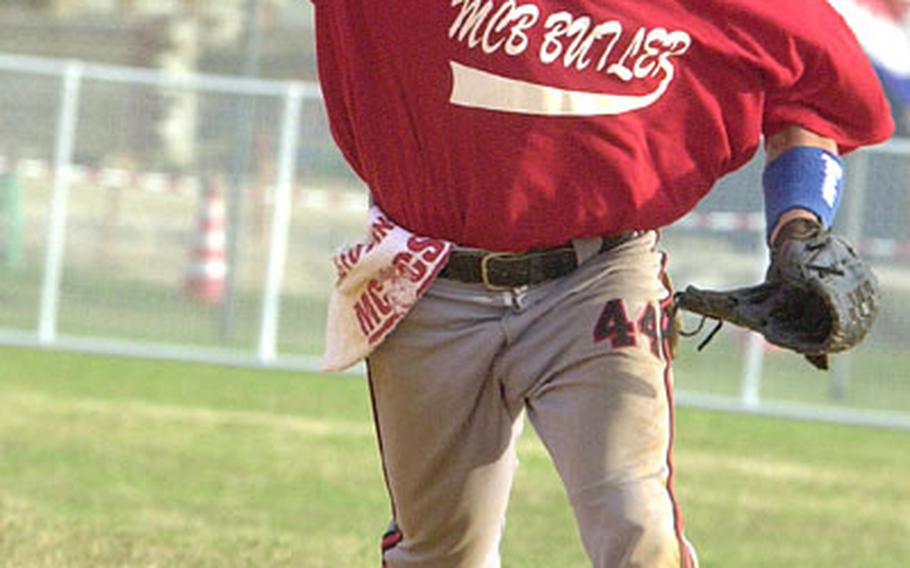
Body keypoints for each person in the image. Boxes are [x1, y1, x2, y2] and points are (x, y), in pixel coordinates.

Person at [308, 1, 894, 566]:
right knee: (438, 551)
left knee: (636, 526)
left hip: (600, 274)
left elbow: (809, 96)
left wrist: (797, 227)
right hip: (435, 274)